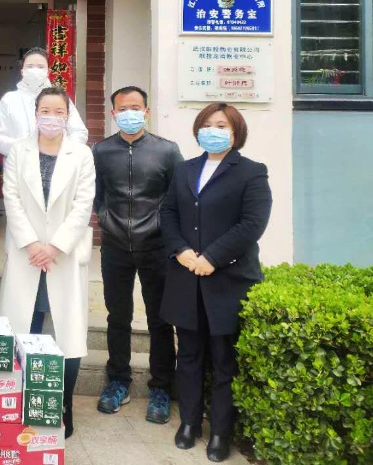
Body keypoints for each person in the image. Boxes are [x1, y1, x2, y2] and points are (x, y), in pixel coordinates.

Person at [161, 103, 272, 462]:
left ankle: (221, 432)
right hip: (186, 277)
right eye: (207, 125)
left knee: (224, 359)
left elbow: (252, 224)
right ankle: (189, 423)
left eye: (221, 125)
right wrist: (180, 250)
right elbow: (168, 212)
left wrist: (212, 257)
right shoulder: (184, 169)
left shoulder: (252, 172)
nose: (213, 131)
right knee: (189, 355)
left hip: (228, 279)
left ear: (236, 131)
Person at [0, 86, 95, 439]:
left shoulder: (81, 154)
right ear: (35, 113)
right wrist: (33, 244)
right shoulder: (18, 151)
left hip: (62, 257)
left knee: (69, 334)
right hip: (27, 254)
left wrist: (54, 247)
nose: (52, 117)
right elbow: (10, 198)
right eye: (45, 111)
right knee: (25, 327)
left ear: (68, 116)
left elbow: (83, 205)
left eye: (59, 111)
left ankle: (63, 405)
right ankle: (21, 398)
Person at [92, 86, 184, 424]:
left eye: (136, 107)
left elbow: (177, 198)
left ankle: (161, 386)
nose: (129, 113)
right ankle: (118, 381)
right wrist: (105, 218)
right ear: (113, 114)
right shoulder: (100, 151)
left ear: (146, 111)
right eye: (122, 108)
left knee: (160, 319)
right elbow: (95, 195)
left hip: (156, 247)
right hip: (115, 246)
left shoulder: (167, 151)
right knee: (118, 317)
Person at [0, 47, 89, 155]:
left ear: (48, 72)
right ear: (22, 71)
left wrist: (59, 150)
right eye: (30, 66)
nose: (35, 70)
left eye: (40, 67)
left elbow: (79, 132)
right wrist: (24, 148)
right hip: (19, 162)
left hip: (57, 162)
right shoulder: (9, 100)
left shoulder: (59, 98)